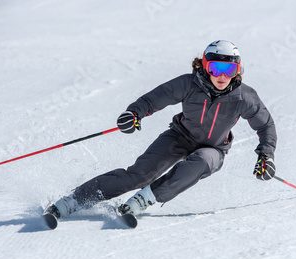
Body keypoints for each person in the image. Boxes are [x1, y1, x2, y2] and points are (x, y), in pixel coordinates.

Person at [45, 40, 277, 222]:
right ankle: (72, 201)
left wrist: (266, 156)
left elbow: (265, 125)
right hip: (180, 137)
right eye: (216, 68)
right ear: (205, 66)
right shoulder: (189, 83)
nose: (222, 76)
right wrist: (134, 113)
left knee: (202, 160)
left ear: (237, 70)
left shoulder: (244, 97)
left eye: (230, 69)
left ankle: (143, 199)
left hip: (213, 148)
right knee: (139, 175)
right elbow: (157, 97)